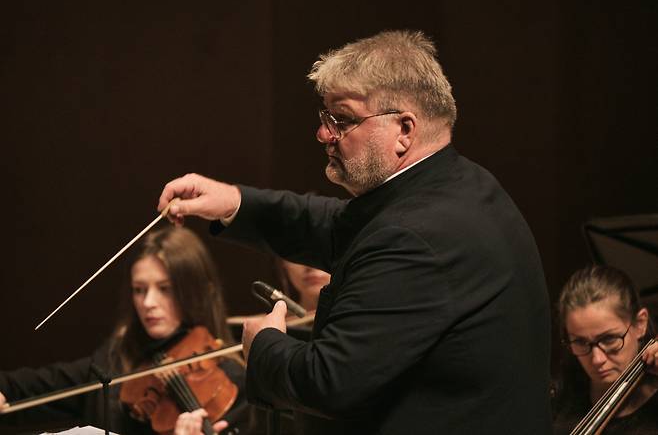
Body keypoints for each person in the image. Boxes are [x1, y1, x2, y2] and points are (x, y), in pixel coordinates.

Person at [157, 30, 552, 434]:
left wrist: (265, 346)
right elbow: (338, 225)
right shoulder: (459, 185)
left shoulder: (415, 236)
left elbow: (329, 383)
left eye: (341, 120)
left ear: (404, 130)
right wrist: (234, 202)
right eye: (324, 118)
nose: (323, 135)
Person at [0, 226, 248, 434]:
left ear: (195, 292)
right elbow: (28, 387)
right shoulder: (114, 361)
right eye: (139, 289)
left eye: (165, 288)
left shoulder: (230, 381)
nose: (148, 302)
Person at [552, 265, 658, 434]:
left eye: (609, 339)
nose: (597, 359)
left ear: (640, 324)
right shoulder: (560, 397)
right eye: (580, 342)